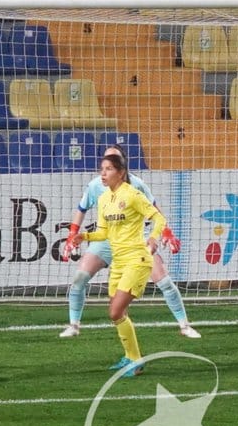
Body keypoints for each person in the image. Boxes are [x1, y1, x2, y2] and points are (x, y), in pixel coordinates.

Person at [61, 145, 196, 340]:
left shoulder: (137, 186)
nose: (107, 167)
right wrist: (73, 235)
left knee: (164, 281)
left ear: (122, 166)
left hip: (134, 243)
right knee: (79, 279)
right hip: (105, 240)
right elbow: (81, 209)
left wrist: (164, 233)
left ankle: (184, 325)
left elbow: (155, 210)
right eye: (106, 160)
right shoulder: (96, 186)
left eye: (113, 161)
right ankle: (74, 325)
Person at [69, 151, 168, 378]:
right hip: (119, 262)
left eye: (109, 169)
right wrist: (84, 236)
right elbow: (104, 231)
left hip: (137, 259)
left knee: (115, 311)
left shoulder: (132, 195)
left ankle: (136, 361)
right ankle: (130, 357)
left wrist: (153, 237)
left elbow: (159, 218)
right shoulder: (104, 199)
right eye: (102, 169)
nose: (103, 174)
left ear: (121, 173)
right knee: (117, 312)